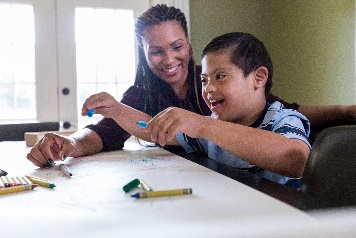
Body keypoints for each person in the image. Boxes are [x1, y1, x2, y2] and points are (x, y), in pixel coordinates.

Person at [26, 4, 355, 168]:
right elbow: (148, 128)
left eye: (176, 46)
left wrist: (344, 110)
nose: (208, 88)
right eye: (155, 50)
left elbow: (294, 148)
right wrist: (112, 112)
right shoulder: (161, 102)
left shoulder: (271, 114)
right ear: (144, 55)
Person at [81, 31, 311, 189]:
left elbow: (294, 158)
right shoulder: (211, 132)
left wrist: (204, 125)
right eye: (203, 80)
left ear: (258, 77)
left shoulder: (284, 118)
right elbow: (156, 129)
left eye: (220, 77)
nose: (208, 88)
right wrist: (118, 111)